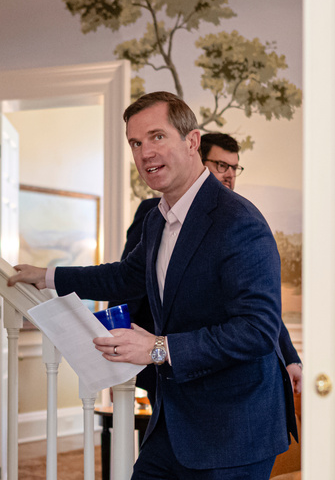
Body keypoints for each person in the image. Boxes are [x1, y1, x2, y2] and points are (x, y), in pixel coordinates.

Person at [9, 91, 296, 480]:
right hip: (173, 421)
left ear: (192, 141)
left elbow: (257, 330)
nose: (145, 153)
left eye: (157, 136)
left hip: (232, 431)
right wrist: (48, 275)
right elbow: (126, 276)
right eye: (136, 142)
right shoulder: (157, 220)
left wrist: (158, 349)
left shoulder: (239, 221)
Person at [119, 131, 303, 403]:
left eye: (234, 167)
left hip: (228, 373)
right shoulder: (155, 213)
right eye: (221, 165)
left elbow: (259, 306)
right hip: (167, 366)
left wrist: (289, 357)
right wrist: (120, 357)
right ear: (197, 160)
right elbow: (126, 284)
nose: (229, 174)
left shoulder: (237, 217)